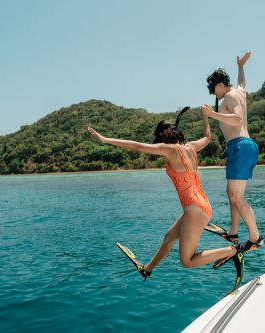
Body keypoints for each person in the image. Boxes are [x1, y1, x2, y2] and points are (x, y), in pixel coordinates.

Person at [87, 107, 240, 278]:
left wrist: (105, 139)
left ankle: (233, 250)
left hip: (195, 209)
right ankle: (148, 269)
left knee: (187, 261)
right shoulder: (191, 147)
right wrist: (205, 117)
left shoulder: (170, 150)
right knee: (169, 238)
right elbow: (208, 137)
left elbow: (137, 146)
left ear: (162, 137)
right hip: (199, 206)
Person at [202, 52, 264, 259]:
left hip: (240, 146)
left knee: (236, 196)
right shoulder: (238, 92)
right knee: (232, 195)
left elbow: (237, 119)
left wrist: (211, 114)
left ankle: (256, 237)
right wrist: (240, 67)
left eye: (213, 90)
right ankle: (233, 232)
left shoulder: (229, 96)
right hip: (243, 147)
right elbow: (242, 83)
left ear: (219, 85)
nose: (214, 94)